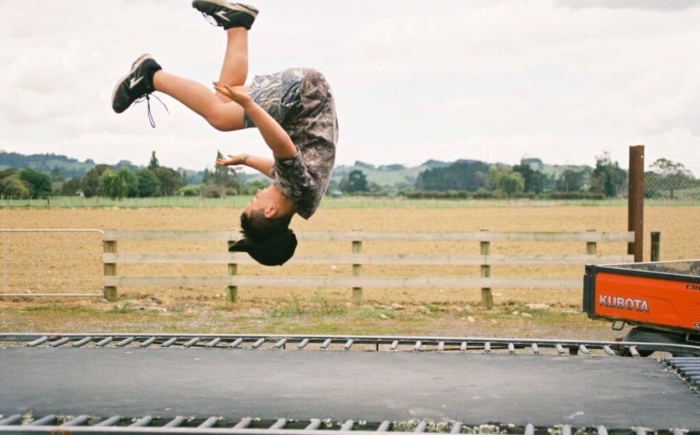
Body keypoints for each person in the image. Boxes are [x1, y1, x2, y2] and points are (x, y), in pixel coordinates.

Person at [111, 0, 338, 266]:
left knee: (223, 94)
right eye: (254, 200)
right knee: (219, 117)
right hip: (304, 95)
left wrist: (245, 159)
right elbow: (282, 146)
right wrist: (250, 106)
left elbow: (279, 169)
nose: (256, 193)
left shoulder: (300, 200)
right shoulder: (298, 190)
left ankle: (236, 24)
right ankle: (149, 76)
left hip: (307, 98)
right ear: (270, 210)